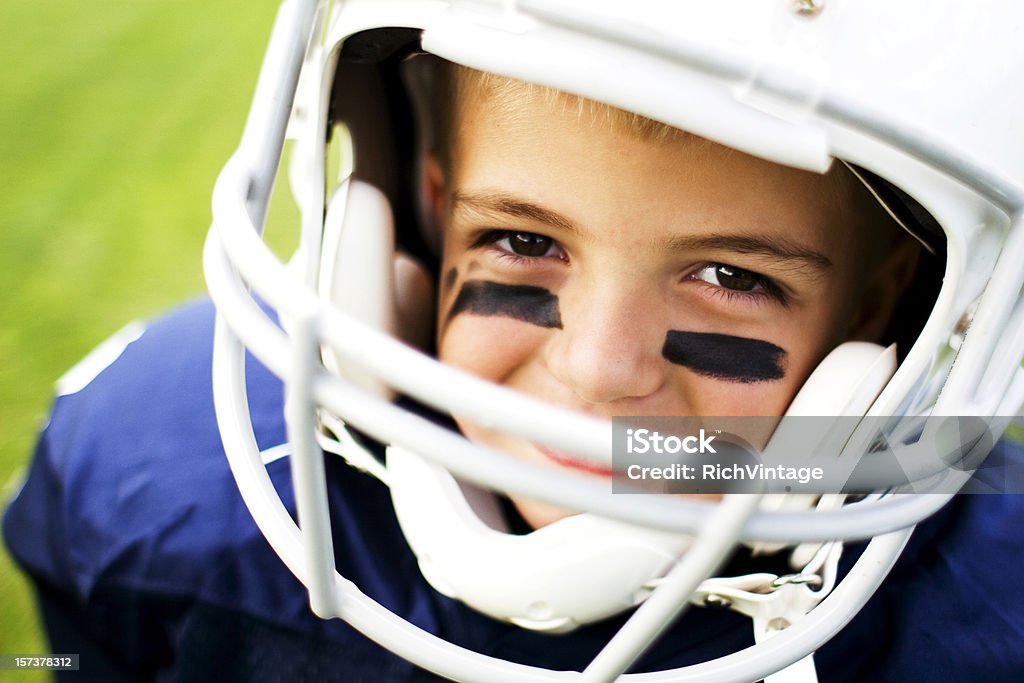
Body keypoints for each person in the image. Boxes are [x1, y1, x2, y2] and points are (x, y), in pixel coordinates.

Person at [5, 0, 1024, 680]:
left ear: (880, 310)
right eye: (523, 239)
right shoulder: (173, 484)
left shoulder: (984, 604)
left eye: (730, 277)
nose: (597, 369)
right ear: (425, 213)